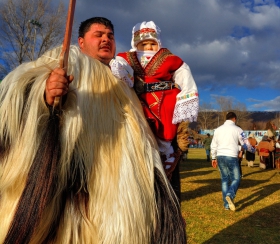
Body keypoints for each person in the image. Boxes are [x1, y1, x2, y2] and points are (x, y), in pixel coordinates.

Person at [0, 17, 186, 243]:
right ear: (80, 41)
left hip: (125, 186)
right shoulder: (63, 62)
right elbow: (17, 97)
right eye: (98, 35)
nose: (106, 39)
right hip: (75, 187)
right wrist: (46, 94)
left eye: (110, 36)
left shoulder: (125, 76)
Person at [110, 21, 199, 177]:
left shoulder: (169, 58)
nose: (148, 48)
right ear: (135, 43)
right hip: (139, 97)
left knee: (166, 121)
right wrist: (119, 67)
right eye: (143, 44)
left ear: (158, 42)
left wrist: (186, 96)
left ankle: (167, 150)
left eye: (152, 43)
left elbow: (184, 74)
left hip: (165, 97)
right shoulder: (127, 57)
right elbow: (123, 65)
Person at [210, 112, 253, 211]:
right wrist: (253, 149)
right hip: (231, 156)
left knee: (225, 180)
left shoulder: (218, 130)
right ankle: (230, 194)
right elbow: (246, 144)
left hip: (220, 156)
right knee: (236, 178)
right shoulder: (238, 129)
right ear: (234, 119)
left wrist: (213, 158)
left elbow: (214, 144)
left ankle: (226, 205)